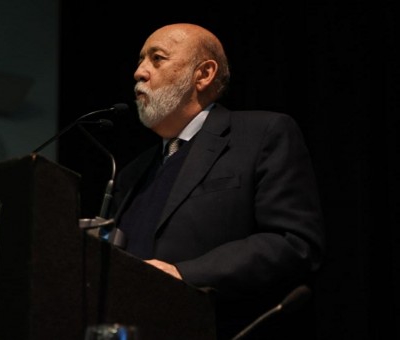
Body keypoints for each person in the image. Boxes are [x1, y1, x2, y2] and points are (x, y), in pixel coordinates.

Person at [105, 23, 326, 339]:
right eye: (141, 60)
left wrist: (184, 274)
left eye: (157, 58)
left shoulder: (262, 135)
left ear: (203, 74)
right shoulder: (130, 173)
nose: (139, 72)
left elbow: (293, 242)